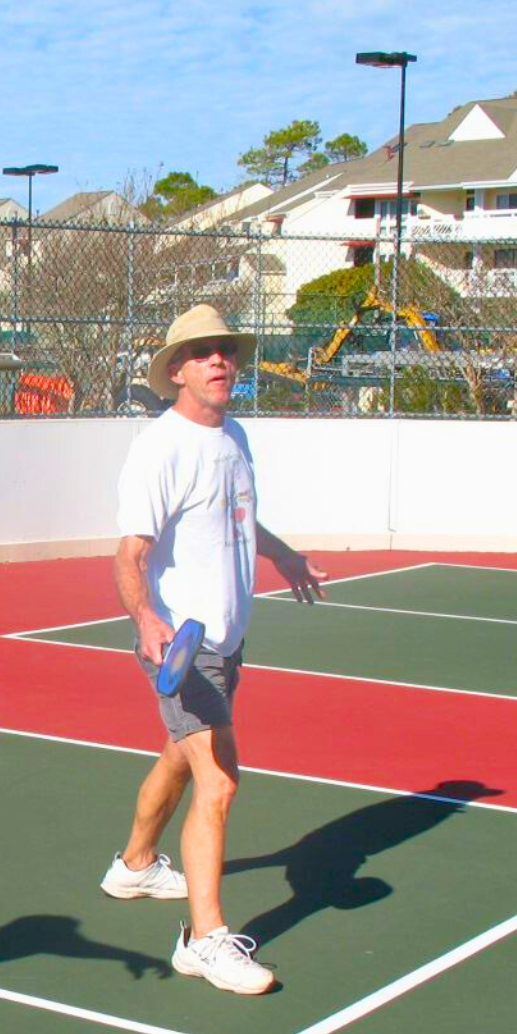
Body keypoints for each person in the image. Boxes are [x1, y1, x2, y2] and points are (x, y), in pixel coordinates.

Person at [102, 305, 325, 996]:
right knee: (220, 781)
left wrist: (282, 554)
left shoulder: (234, 437)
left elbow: (238, 513)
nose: (219, 361)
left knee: (182, 754)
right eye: (201, 353)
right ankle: (203, 939)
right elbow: (130, 552)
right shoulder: (160, 448)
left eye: (225, 350)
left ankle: (135, 866)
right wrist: (145, 620)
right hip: (179, 642)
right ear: (176, 371)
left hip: (227, 639)